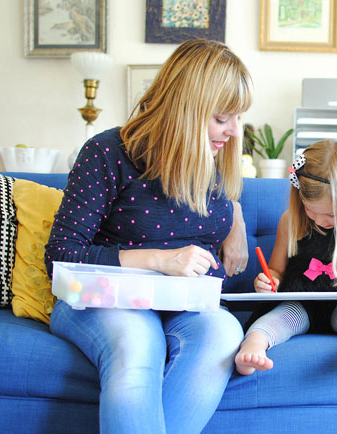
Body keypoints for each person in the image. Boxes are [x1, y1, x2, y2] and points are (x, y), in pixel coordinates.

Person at [45, 39, 252, 434]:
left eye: (239, 118)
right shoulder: (108, 152)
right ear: (186, 108)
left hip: (182, 304)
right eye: (223, 117)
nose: (234, 132)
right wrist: (159, 259)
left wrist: (237, 217)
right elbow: (60, 257)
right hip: (102, 297)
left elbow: (221, 208)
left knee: (225, 333)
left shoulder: (215, 161)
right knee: (140, 347)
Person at [235, 139, 337, 375]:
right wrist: (269, 280)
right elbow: (276, 270)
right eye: (310, 210)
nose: (319, 221)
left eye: (331, 215)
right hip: (299, 303)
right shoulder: (290, 221)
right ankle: (254, 344)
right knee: (280, 317)